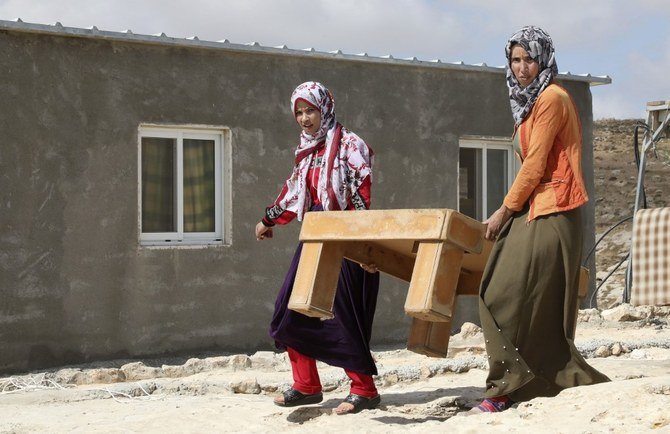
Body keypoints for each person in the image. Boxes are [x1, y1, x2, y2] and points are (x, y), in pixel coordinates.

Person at [472, 26, 610, 413]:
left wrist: (502, 210)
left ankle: (504, 388)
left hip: (556, 208)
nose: (521, 67)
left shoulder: (551, 97)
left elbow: (534, 166)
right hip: (535, 206)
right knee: (505, 289)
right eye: (515, 60)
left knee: (508, 293)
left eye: (528, 58)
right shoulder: (527, 103)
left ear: (543, 58)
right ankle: (530, 383)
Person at [255, 81, 381, 415]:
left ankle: (364, 390)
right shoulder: (307, 150)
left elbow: (360, 197)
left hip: (344, 238)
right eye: (298, 112)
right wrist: (268, 220)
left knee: (339, 313)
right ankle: (306, 385)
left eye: (310, 110)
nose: (304, 118)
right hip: (315, 235)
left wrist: (361, 245)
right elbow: (295, 192)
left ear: (325, 107)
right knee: (290, 308)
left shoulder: (350, 145)